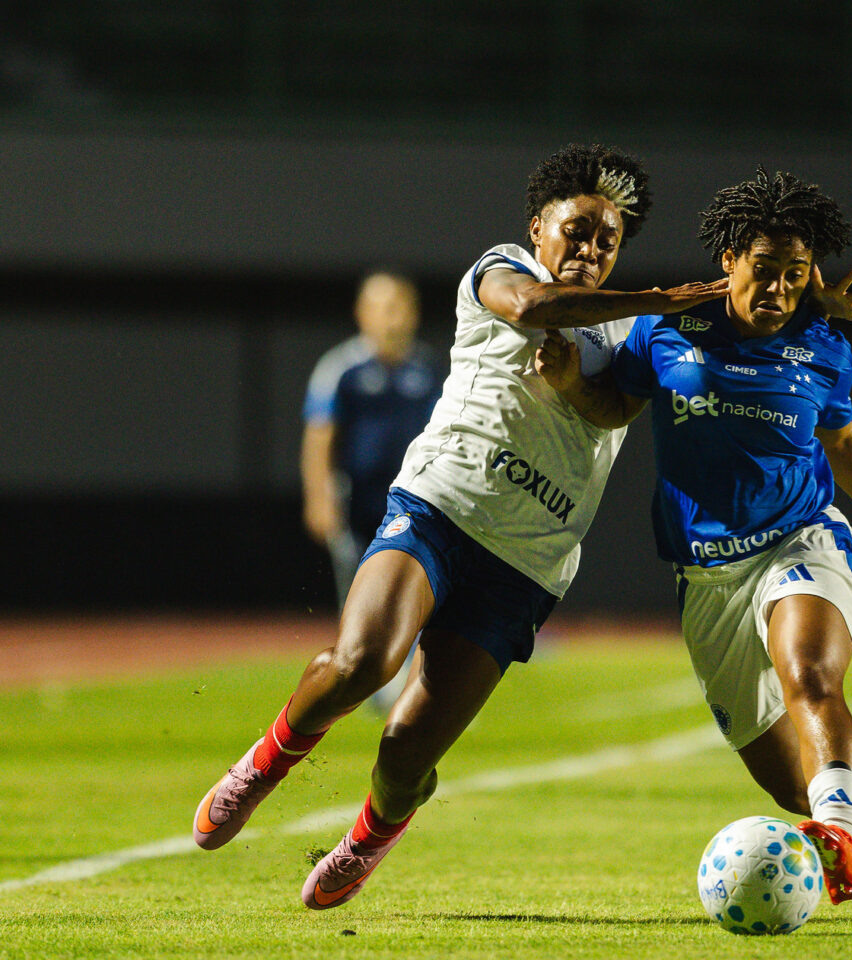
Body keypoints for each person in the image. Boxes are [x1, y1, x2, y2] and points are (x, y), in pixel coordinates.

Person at [192, 143, 731, 909]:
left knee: (406, 752)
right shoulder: (502, 269)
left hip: (526, 562)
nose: (588, 249)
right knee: (361, 662)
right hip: (440, 509)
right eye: (576, 230)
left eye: (606, 241)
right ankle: (266, 762)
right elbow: (535, 310)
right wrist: (660, 299)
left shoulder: (633, 334)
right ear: (538, 225)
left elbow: (616, 408)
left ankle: (370, 835)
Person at [536, 168, 852, 915]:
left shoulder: (824, 346)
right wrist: (571, 385)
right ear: (729, 263)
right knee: (793, 783)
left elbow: (839, 437)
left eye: (795, 275)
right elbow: (614, 407)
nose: (778, 289)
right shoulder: (668, 326)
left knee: (810, 676)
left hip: (799, 539)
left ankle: (834, 837)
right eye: (764, 271)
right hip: (704, 575)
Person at [301, 270, 441, 713]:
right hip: (357, 503)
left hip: (415, 502)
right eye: (382, 306)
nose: (392, 317)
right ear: (362, 313)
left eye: (400, 306)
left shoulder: (430, 369)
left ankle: (409, 684)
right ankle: (357, 677)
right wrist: (318, 498)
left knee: (417, 591)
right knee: (360, 594)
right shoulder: (341, 368)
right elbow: (319, 436)